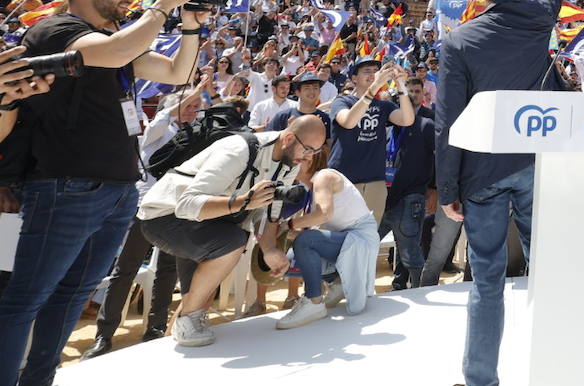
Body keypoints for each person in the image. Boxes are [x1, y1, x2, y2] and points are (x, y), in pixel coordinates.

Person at [0, 0, 202, 386]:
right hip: (66, 184)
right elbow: (111, 52)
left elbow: (176, 73)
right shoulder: (57, 30)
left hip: (115, 188)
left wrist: (190, 26)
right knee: (25, 299)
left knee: (71, 294)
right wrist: (160, 7)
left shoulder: (120, 39)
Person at [435, 0, 565, 386]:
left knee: (487, 281)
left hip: (483, 174)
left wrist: (449, 189)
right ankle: (567, 375)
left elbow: (448, 122)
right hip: (535, 165)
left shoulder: (459, 42)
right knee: (550, 272)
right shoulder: (539, 19)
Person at [136, 116, 327, 347]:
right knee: (233, 243)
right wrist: (244, 201)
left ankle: (176, 337)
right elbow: (187, 204)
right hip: (164, 217)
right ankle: (187, 321)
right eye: (307, 149)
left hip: (211, 223)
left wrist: (269, 248)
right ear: (288, 138)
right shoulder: (239, 150)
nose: (308, 159)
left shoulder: (290, 163)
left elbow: (269, 213)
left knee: (197, 300)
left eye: (315, 152)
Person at [83, 87, 208, 359]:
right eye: (189, 105)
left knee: (166, 271)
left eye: (197, 106)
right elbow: (165, 116)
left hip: (174, 212)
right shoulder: (157, 131)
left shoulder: (196, 137)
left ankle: (156, 328)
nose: (193, 110)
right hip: (145, 208)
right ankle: (104, 335)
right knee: (124, 271)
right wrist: (196, 90)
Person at [276, 167, 381, 329]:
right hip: (346, 241)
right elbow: (311, 236)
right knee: (288, 262)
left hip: (361, 240)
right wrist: (291, 235)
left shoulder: (323, 176)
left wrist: (289, 225)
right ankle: (337, 282)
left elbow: (324, 214)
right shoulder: (309, 189)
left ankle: (314, 302)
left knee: (305, 241)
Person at [329, 59, 415, 225]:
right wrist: (374, 87)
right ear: (354, 78)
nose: (373, 74)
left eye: (375, 70)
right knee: (335, 235)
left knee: (367, 238)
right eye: (366, 71)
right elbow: (348, 122)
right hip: (344, 179)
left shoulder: (384, 106)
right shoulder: (342, 102)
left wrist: (401, 85)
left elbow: (407, 119)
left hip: (375, 181)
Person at [378, 77, 436, 291]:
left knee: (410, 248)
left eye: (416, 91)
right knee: (369, 243)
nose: (411, 94)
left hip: (412, 195)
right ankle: (398, 285)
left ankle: (419, 291)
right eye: (407, 91)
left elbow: (440, 158)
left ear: (424, 94)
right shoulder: (389, 122)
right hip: (384, 196)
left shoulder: (429, 122)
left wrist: (434, 189)